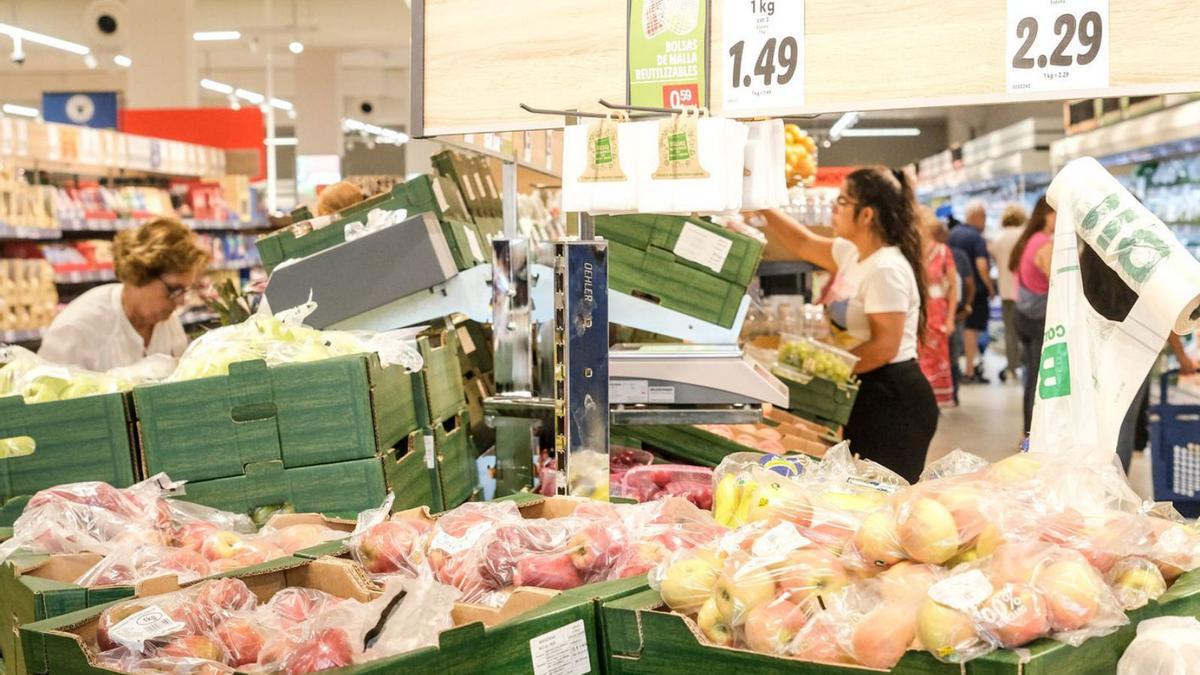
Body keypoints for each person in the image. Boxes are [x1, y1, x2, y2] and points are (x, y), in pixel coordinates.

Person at [757, 167, 937, 483]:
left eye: (842, 201)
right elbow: (802, 243)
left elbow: (884, 347)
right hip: (867, 390)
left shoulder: (886, 269)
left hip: (894, 399)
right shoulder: (854, 254)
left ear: (866, 215)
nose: (833, 208)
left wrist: (826, 373)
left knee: (883, 496)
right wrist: (760, 207)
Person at [39, 219, 210, 372]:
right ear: (140, 273)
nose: (181, 301)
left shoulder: (169, 324)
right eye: (174, 289)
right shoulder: (77, 329)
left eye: (186, 290)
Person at [1010, 197, 1055, 435]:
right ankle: (1033, 432)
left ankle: (1029, 430)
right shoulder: (1044, 243)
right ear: (1047, 214)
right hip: (1040, 317)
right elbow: (1054, 279)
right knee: (1039, 380)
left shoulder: (1027, 240)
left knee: (1031, 376)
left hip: (1023, 314)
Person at [948, 201, 995, 383]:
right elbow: (981, 265)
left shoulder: (953, 234)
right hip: (975, 291)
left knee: (958, 331)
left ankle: (956, 369)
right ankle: (969, 369)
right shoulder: (977, 238)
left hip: (955, 292)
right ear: (978, 217)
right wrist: (990, 287)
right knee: (972, 331)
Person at [917, 207, 958, 407]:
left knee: (936, 358)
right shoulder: (911, 251)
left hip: (937, 312)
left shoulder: (943, 251)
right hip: (917, 310)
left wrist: (950, 317)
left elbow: (953, 286)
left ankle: (934, 400)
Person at [990, 204, 1027, 383]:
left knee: (1010, 332)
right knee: (1027, 331)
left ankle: (1012, 368)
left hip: (1006, 291)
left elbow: (996, 260)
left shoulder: (998, 238)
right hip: (1025, 290)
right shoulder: (1025, 235)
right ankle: (1028, 364)